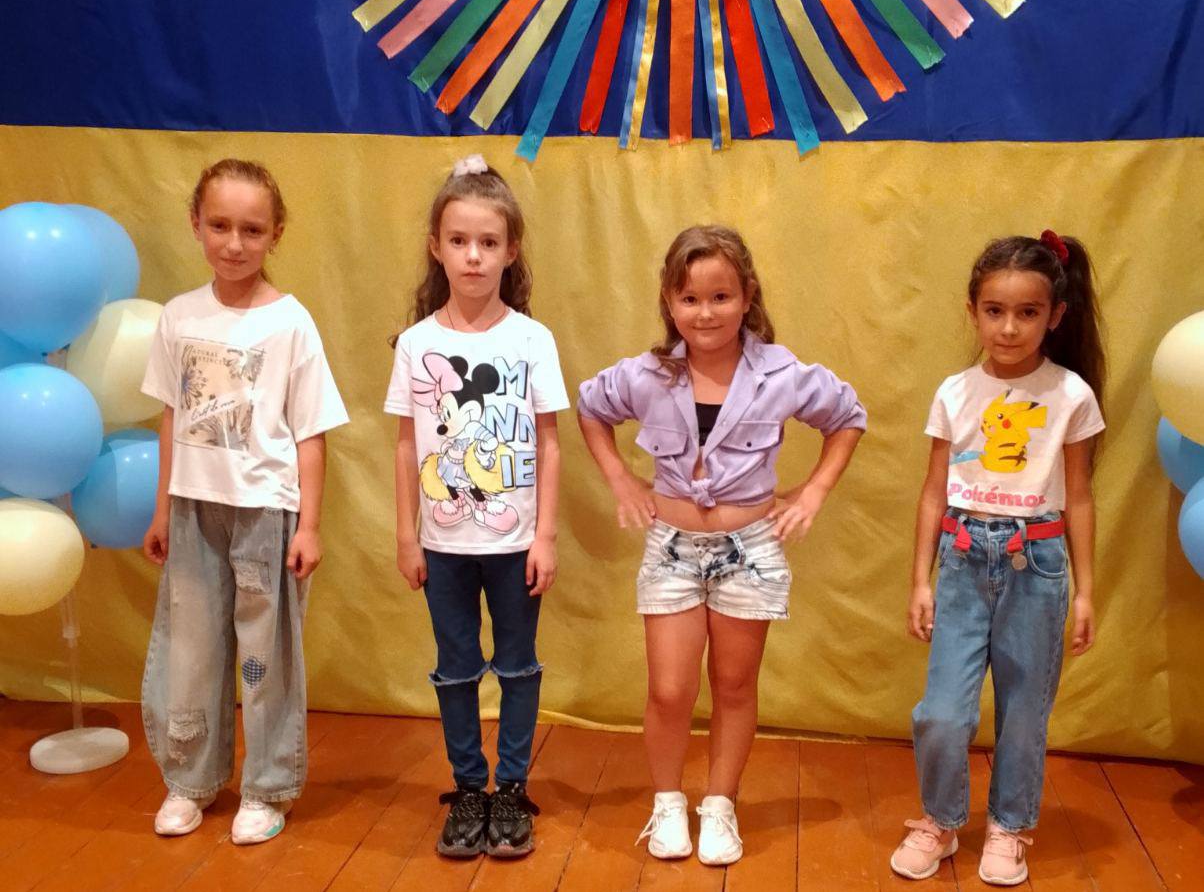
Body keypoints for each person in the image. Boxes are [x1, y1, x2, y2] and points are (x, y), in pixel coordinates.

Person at [577, 224, 865, 866]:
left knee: (734, 685)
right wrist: (621, 479)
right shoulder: (648, 374)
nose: (704, 313)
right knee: (669, 689)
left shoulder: (781, 373)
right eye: (689, 299)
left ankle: (720, 804)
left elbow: (847, 417)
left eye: (720, 297)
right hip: (673, 550)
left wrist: (813, 492)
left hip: (750, 551)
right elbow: (591, 407)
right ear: (669, 301)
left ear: (747, 296)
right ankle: (667, 803)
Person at [141, 158, 348, 844]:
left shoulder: (291, 323)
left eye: (252, 229)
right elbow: (172, 415)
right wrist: (163, 507)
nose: (234, 243)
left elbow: (311, 432)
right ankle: (191, 779)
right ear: (196, 224)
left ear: (275, 232)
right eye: (220, 225)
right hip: (193, 511)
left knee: (265, 657)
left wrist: (308, 525)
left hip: (265, 512)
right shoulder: (178, 316)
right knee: (192, 650)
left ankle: (266, 786)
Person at [890, 230, 1105, 885]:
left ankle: (1009, 826)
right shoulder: (955, 391)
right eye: (994, 310)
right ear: (973, 310)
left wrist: (1086, 591)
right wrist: (920, 579)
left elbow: (1080, 497)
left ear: (1055, 315)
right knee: (942, 712)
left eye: (1027, 312)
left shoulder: (1070, 394)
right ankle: (941, 819)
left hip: (1036, 567)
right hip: (961, 559)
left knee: (1023, 713)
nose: (1009, 327)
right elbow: (933, 491)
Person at [385, 154, 567, 859]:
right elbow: (407, 445)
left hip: (516, 541)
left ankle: (511, 789)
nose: (473, 255)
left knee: (517, 666)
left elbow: (549, 443)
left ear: (510, 250)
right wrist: (407, 537)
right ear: (436, 246)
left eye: (488, 242)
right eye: (459, 240)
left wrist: (545, 536)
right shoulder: (417, 344)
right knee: (455, 667)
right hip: (443, 543)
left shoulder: (531, 339)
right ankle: (468, 788)